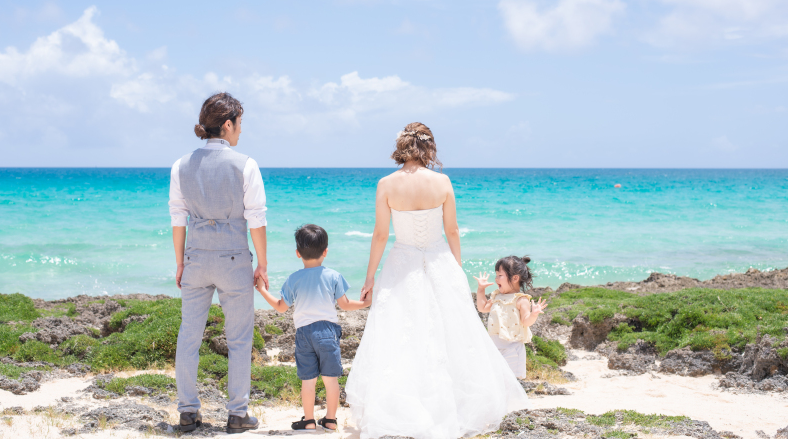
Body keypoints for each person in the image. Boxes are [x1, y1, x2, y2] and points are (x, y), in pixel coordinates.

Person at [345, 122, 529, 439]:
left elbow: (380, 234)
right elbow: (452, 231)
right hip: (439, 259)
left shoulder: (386, 184)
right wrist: (456, 268)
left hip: (401, 263)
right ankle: (453, 408)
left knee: (402, 336)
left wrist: (370, 276)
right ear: (428, 148)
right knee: (450, 336)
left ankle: (404, 411)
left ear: (402, 147)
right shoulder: (442, 181)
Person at [169, 92, 267, 434]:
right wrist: (262, 265)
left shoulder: (181, 165)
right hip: (233, 259)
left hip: (196, 257)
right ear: (227, 124)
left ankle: (187, 412)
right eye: (239, 124)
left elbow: (177, 218)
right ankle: (237, 413)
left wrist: (180, 263)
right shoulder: (246, 164)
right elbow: (256, 219)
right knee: (239, 338)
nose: (240, 131)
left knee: (189, 337)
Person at [255, 224, 372, 432]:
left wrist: (262, 290)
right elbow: (344, 305)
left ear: (297, 253)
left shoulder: (293, 279)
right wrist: (365, 303)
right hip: (327, 332)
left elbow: (281, 308)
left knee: (308, 381)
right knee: (330, 379)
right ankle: (330, 419)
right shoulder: (334, 276)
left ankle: (309, 420)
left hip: (303, 334)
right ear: (325, 251)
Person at [474, 256, 548, 379]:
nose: (496, 278)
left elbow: (526, 321)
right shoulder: (497, 296)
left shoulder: (521, 299)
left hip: (512, 349)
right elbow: (482, 308)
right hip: (494, 347)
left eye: (500, 275)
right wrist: (481, 289)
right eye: (496, 275)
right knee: (496, 380)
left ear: (515, 278)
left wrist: (533, 314)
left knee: (510, 381)